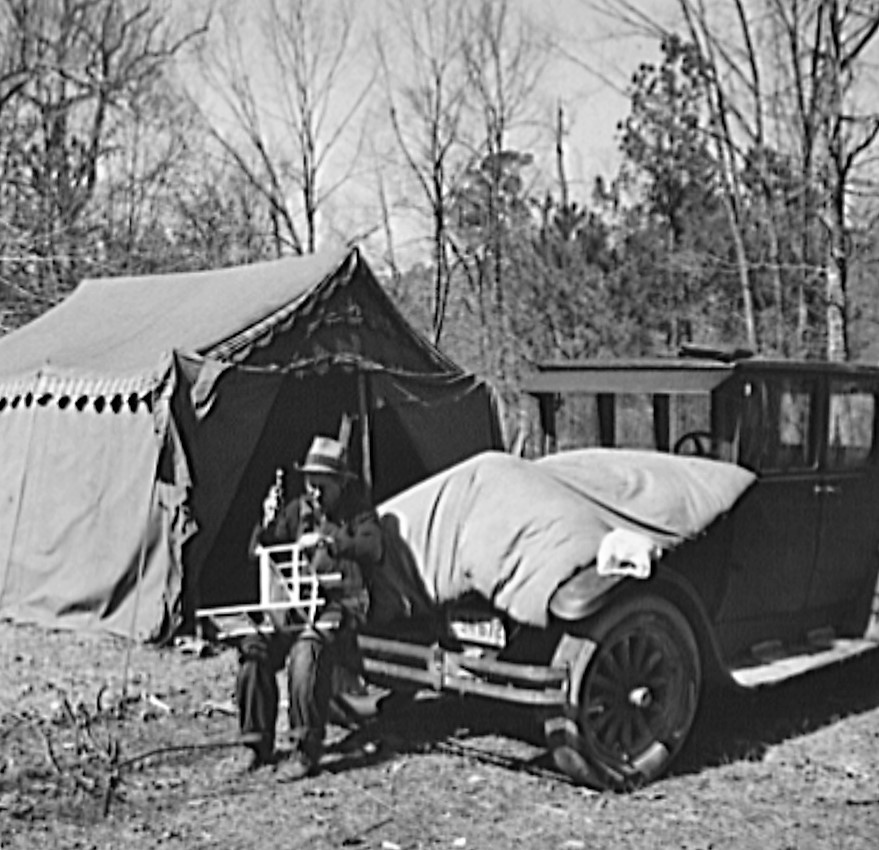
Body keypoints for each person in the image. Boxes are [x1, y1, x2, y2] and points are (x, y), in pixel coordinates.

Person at [236, 435, 383, 778]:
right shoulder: (296, 510)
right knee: (253, 648)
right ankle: (255, 744)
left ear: (340, 484)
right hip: (296, 603)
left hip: (338, 606)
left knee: (307, 649)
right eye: (310, 483)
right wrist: (266, 524)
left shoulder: (356, 512)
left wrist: (331, 540)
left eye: (323, 486)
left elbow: (374, 547)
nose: (315, 492)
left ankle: (306, 748)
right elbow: (259, 550)